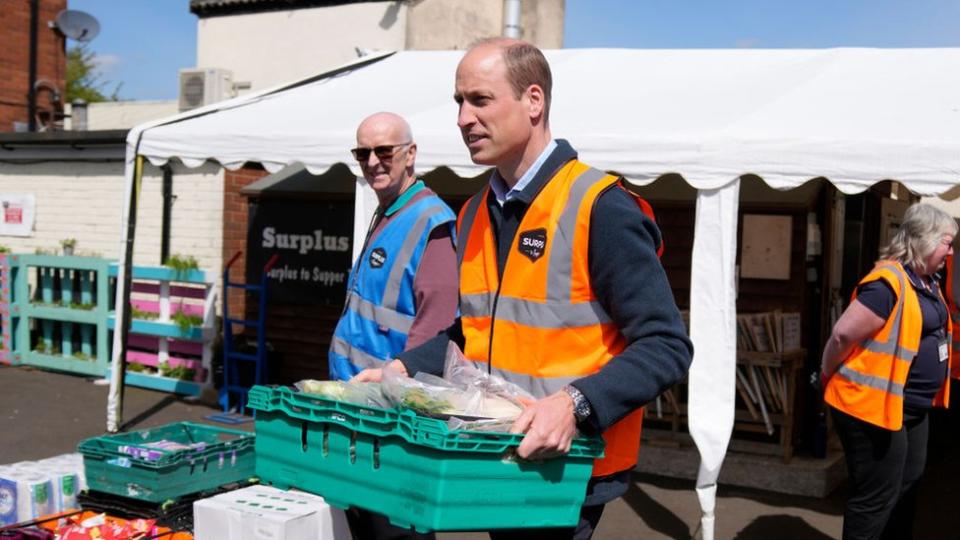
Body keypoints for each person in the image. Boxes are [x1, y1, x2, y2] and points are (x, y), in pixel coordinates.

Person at [356, 38, 693, 539]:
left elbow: (668, 345)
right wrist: (401, 369)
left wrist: (575, 405)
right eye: (459, 102)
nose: (463, 118)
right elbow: (472, 330)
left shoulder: (599, 206)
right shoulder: (471, 215)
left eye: (480, 99)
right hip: (498, 456)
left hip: (569, 466)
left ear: (533, 101)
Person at [330, 112, 458, 540]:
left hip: (393, 427)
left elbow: (438, 334)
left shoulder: (431, 222)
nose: (372, 161)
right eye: (361, 152)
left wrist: (397, 405)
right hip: (360, 415)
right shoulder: (386, 212)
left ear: (411, 155)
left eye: (384, 151)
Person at [820, 203, 957, 540]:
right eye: (947, 242)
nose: (951, 251)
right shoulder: (887, 284)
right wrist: (825, 374)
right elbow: (841, 335)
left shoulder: (928, 281)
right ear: (923, 239)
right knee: (876, 496)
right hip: (873, 407)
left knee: (908, 484)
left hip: (910, 408)